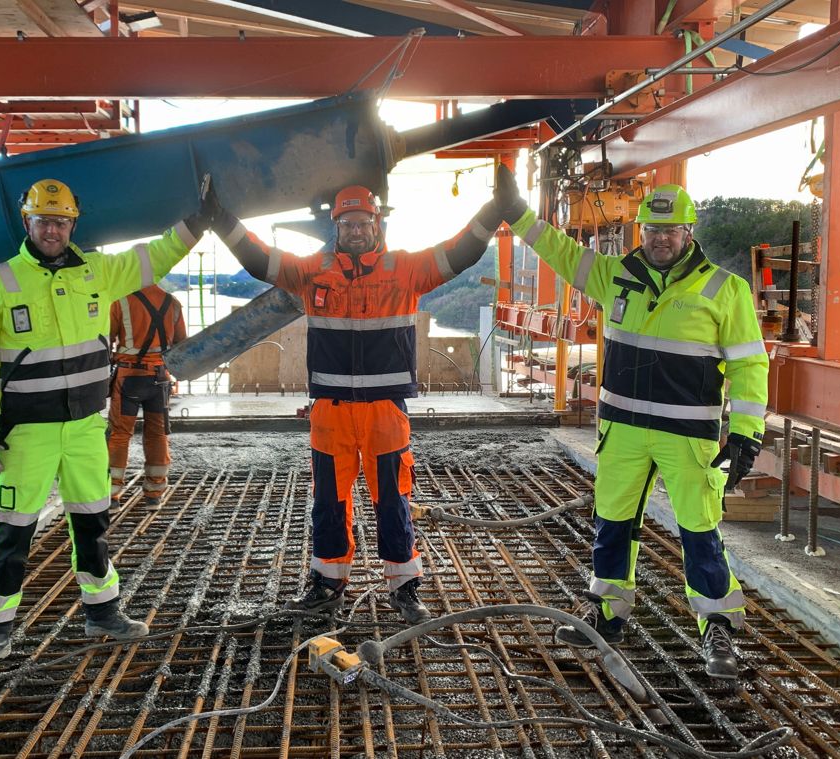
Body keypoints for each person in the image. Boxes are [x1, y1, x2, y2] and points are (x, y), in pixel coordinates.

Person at [198, 172, 524, 625]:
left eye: (362, 222)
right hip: (330, 412)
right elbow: (261, 261)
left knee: (393, 499)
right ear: (337, 228)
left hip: (385, 411)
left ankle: (404, 587)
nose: (355, 229)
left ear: (376, 225)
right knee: (329, 502)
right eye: (347, 223)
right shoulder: (312, 271)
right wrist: (220, 219)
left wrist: (495, 210)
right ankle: (328, 583)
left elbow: (459, 253)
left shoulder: (406, 269)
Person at [497, 169, 768, 678]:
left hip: (688, 437)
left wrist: (748, 432)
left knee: (699, 532)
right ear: (638, 232)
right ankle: (605, 612)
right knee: (612, 525)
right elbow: (561, 252)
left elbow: (751, 365)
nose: (660, 239)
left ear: (689, 233)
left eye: (670, 231)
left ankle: (718, 630)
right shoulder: (615, 274)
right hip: (622, 430)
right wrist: (519, 215)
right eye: (651, 231)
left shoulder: (724, 289)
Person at [0, 178, 208, 676]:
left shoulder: (98, 272)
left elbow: (155, 256)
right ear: (26, 222)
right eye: (43, 220)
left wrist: (197, 224)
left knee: (92, 525)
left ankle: (103, 613)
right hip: (26, 435)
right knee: (13, 534)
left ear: (74, 224)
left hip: (87, 430)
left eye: (61, 221)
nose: (52, 229)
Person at [107, 283, 186, 507]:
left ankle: (112, 494)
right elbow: (181, 344)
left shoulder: (121, 301)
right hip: (160, 378)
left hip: (129, 377)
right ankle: (154, 492)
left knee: (120, 434)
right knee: (157, 433)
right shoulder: (173, 303)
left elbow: (106, 339)